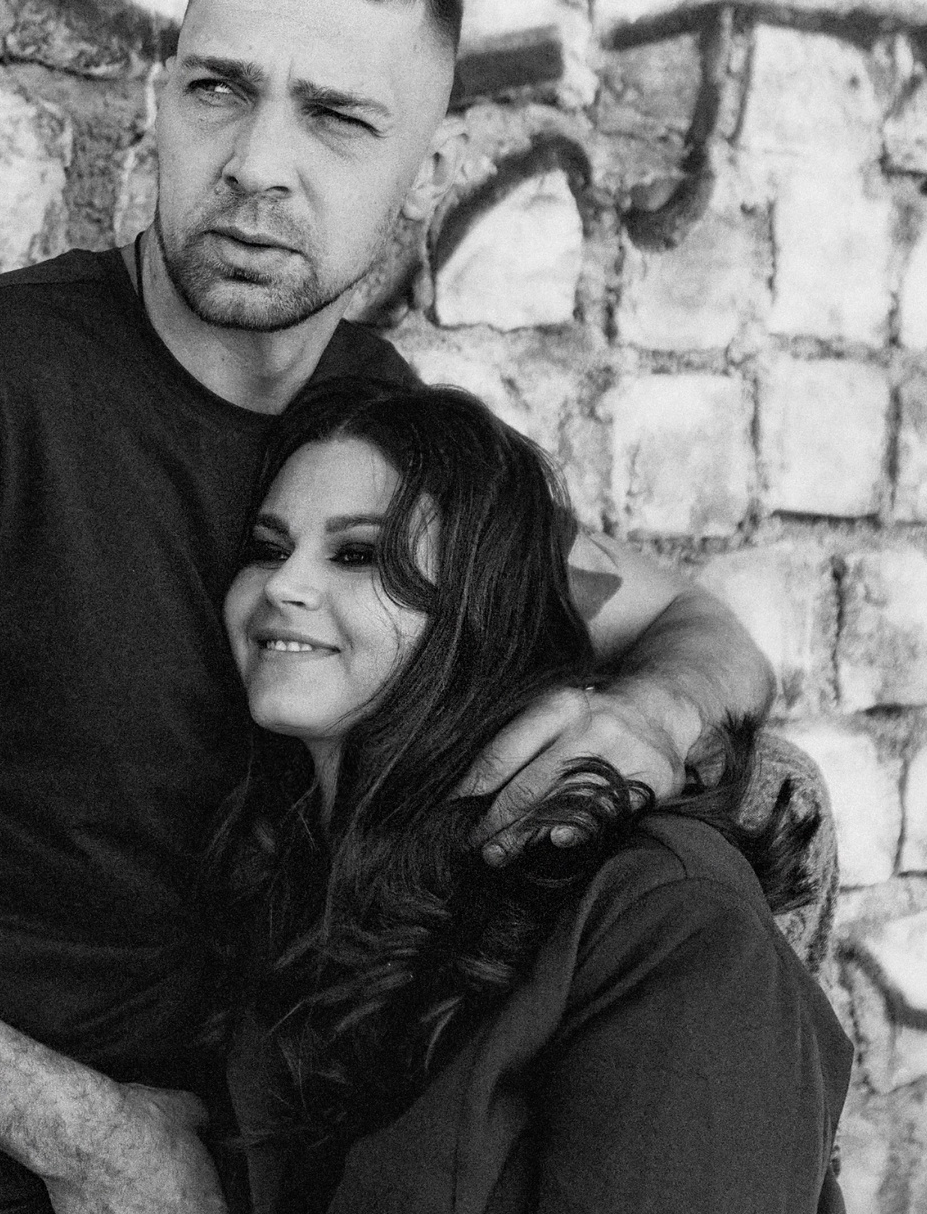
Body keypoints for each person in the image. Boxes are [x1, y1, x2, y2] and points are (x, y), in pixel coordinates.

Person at [0, 0, 778, 1211]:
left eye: (336, 117)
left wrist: (651, 714)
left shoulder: (377, 432)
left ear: (420, 173)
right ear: (161, 97)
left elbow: (697, 623)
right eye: (220, 88)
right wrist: (82, 1131)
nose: (258, 162)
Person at [209, 379, 850, 1214]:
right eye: (267, 549)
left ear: (482, 610)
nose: (283, 584)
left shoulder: (659, 916)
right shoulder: (294, 890)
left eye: (358, 555)